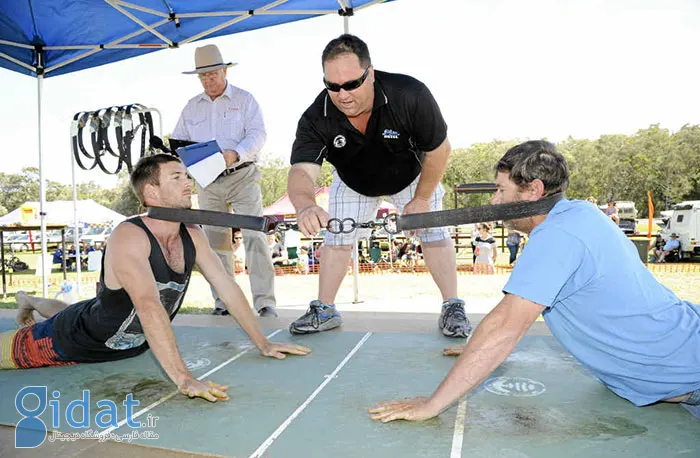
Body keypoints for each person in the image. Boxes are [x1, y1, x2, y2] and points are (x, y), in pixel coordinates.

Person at [369, 140, 700, 422]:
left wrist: (432, 405)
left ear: (534, 190)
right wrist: (476, 347)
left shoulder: (558, 235)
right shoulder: (578, 214)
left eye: (501, 190)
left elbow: (505, 327)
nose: (495, 202)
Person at [1, 154, 310, 403]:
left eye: (187, 176)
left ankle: (29, 300)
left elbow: (227, 288)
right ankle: (31, 302)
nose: (188, 183)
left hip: (123, 335)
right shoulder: (130, 236)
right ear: (152, 192)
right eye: (177, 178)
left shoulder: (193, 234)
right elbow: (149, 306)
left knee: (80, 309)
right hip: (76, 340)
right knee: (48, 329)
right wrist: (184, 378)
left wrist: (263, 343)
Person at [286, 34, 469, 337]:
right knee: (337, 237)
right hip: (353, 180)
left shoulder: (410, 94)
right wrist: (305, 204)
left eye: (351, 84)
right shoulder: (315, 117)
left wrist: (422, 198)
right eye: (332, 86)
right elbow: (301, 172)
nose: (342, 95)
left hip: (412, 176)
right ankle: (325, 308)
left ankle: (452, 305)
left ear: (370, 73)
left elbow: (439, 150)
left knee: (434, 231)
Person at [172, 44, 277, 318]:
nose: (209, 80)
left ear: (225, 70)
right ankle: (223, 302)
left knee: (255, 236)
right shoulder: (191, 108)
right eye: (203, 76)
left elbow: (258, 134)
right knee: (215, 243)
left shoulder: (245, 100)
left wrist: (236, 153)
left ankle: (265, 303)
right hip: (207, 183)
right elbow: (179, 144)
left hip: (242, 176)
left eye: (213, 74)